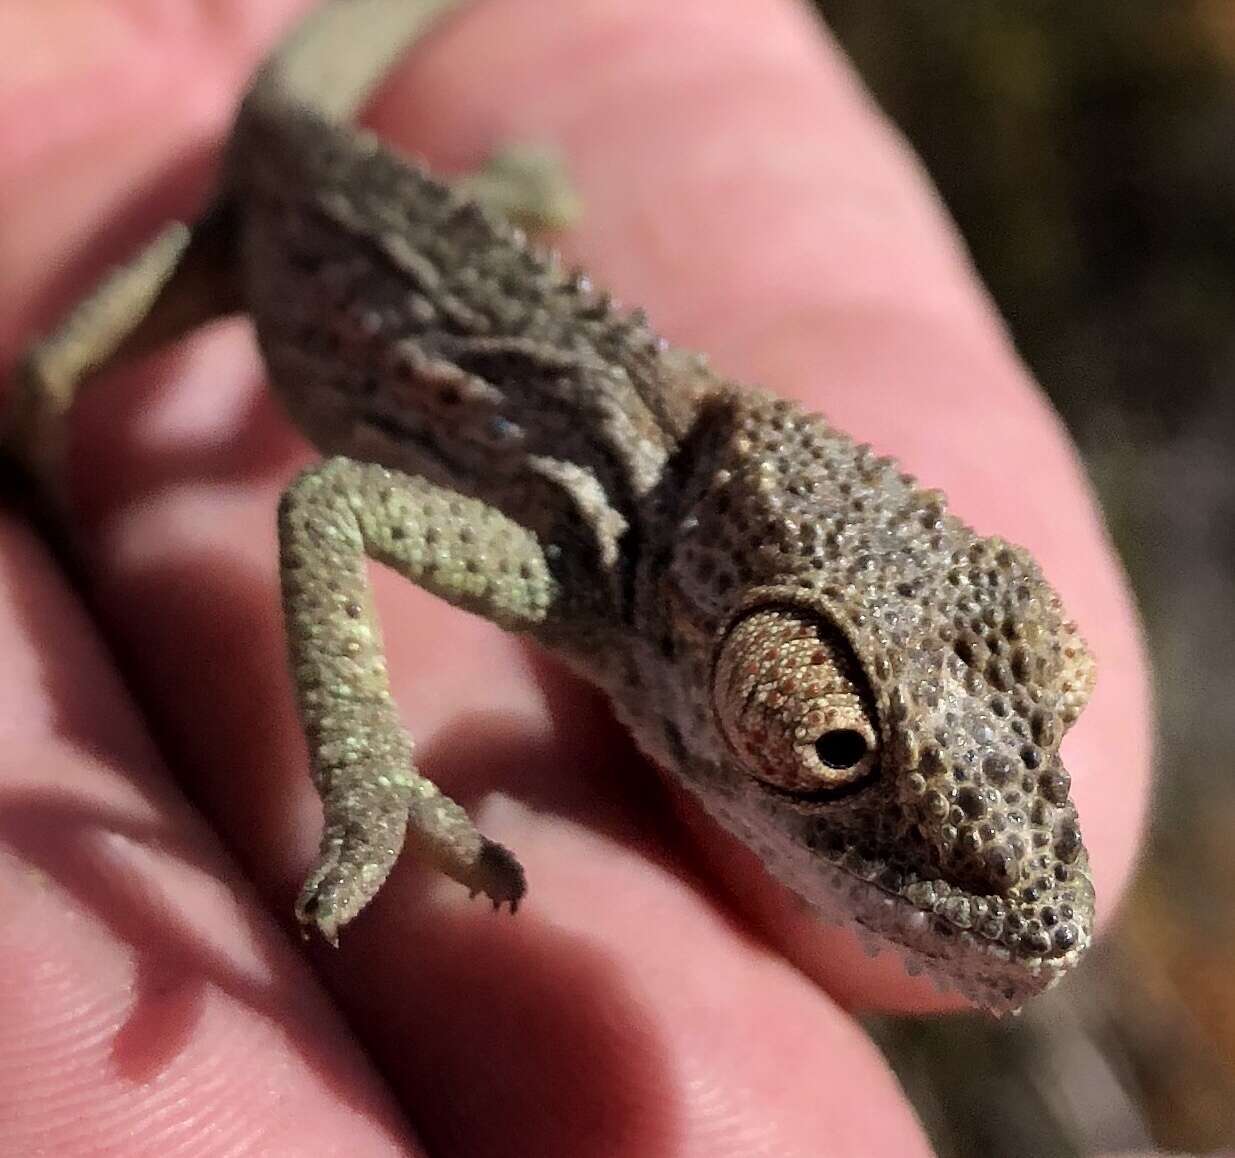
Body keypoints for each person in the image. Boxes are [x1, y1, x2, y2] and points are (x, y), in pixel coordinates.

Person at [0, 1, 1151, 1153]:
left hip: (403, 254)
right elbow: (335, 503)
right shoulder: (579, 578)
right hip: (270, 220)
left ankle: (500, 199)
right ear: (706, 631)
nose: (1026, 899)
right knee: (52, 374)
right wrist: (365, 771)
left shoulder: (663, 567)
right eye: (825, 739)